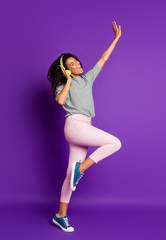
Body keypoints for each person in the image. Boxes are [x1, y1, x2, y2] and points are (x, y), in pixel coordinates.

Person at [46, 21, 122, 232]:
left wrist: (115, 39)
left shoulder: (88, 79)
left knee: (70, 176)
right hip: (74, 125)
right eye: (71, 63)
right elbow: (61, 101)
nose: (77, 64)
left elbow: (103, 59)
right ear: (66, 69)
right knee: (115, 143)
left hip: (84, 126)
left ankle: (60, 215)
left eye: (77, 61)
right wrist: (68, 80)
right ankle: (82, 169)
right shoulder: (64, 84)